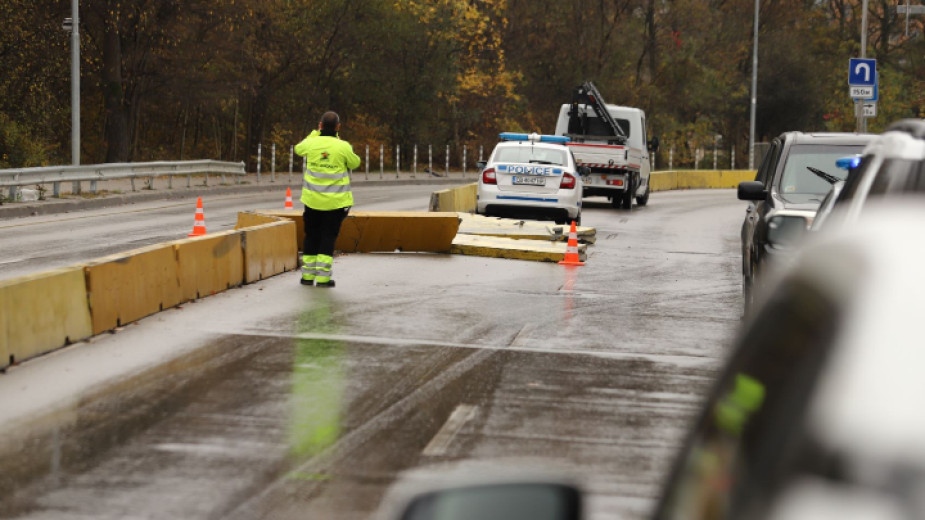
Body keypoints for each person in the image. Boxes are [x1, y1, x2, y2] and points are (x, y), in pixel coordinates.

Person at [294, 111, 361, 287]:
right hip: (335, 204)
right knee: (327, 237)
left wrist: (315, 133)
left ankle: (307, 277)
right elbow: (355, 163)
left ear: (320, 125)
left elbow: (298, 148)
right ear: (338, 127)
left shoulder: (311, 143)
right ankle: (323, 278)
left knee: (311, 236)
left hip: (312, 201)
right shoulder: (343, 146)